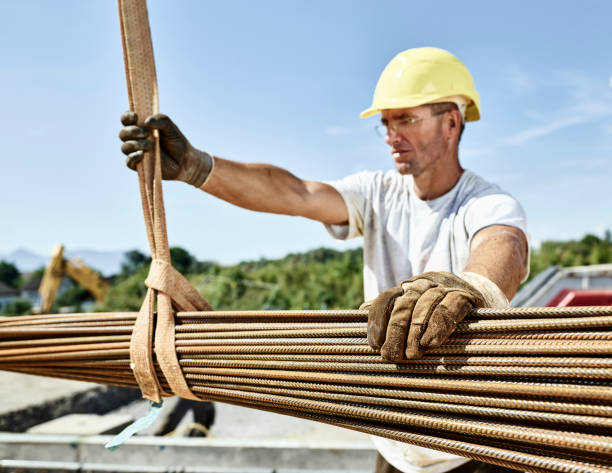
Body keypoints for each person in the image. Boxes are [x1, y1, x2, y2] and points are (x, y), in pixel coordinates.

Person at [119, 47, 529, 473]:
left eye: (406, 119)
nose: (392, 135)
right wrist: (195, 165)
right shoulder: (378, 194)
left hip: (472, 447)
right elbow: (295, 193)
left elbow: (505, 246)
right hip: (397, 443)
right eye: (386, 123)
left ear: (451, 122)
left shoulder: (485, 202)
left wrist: (471, 286)